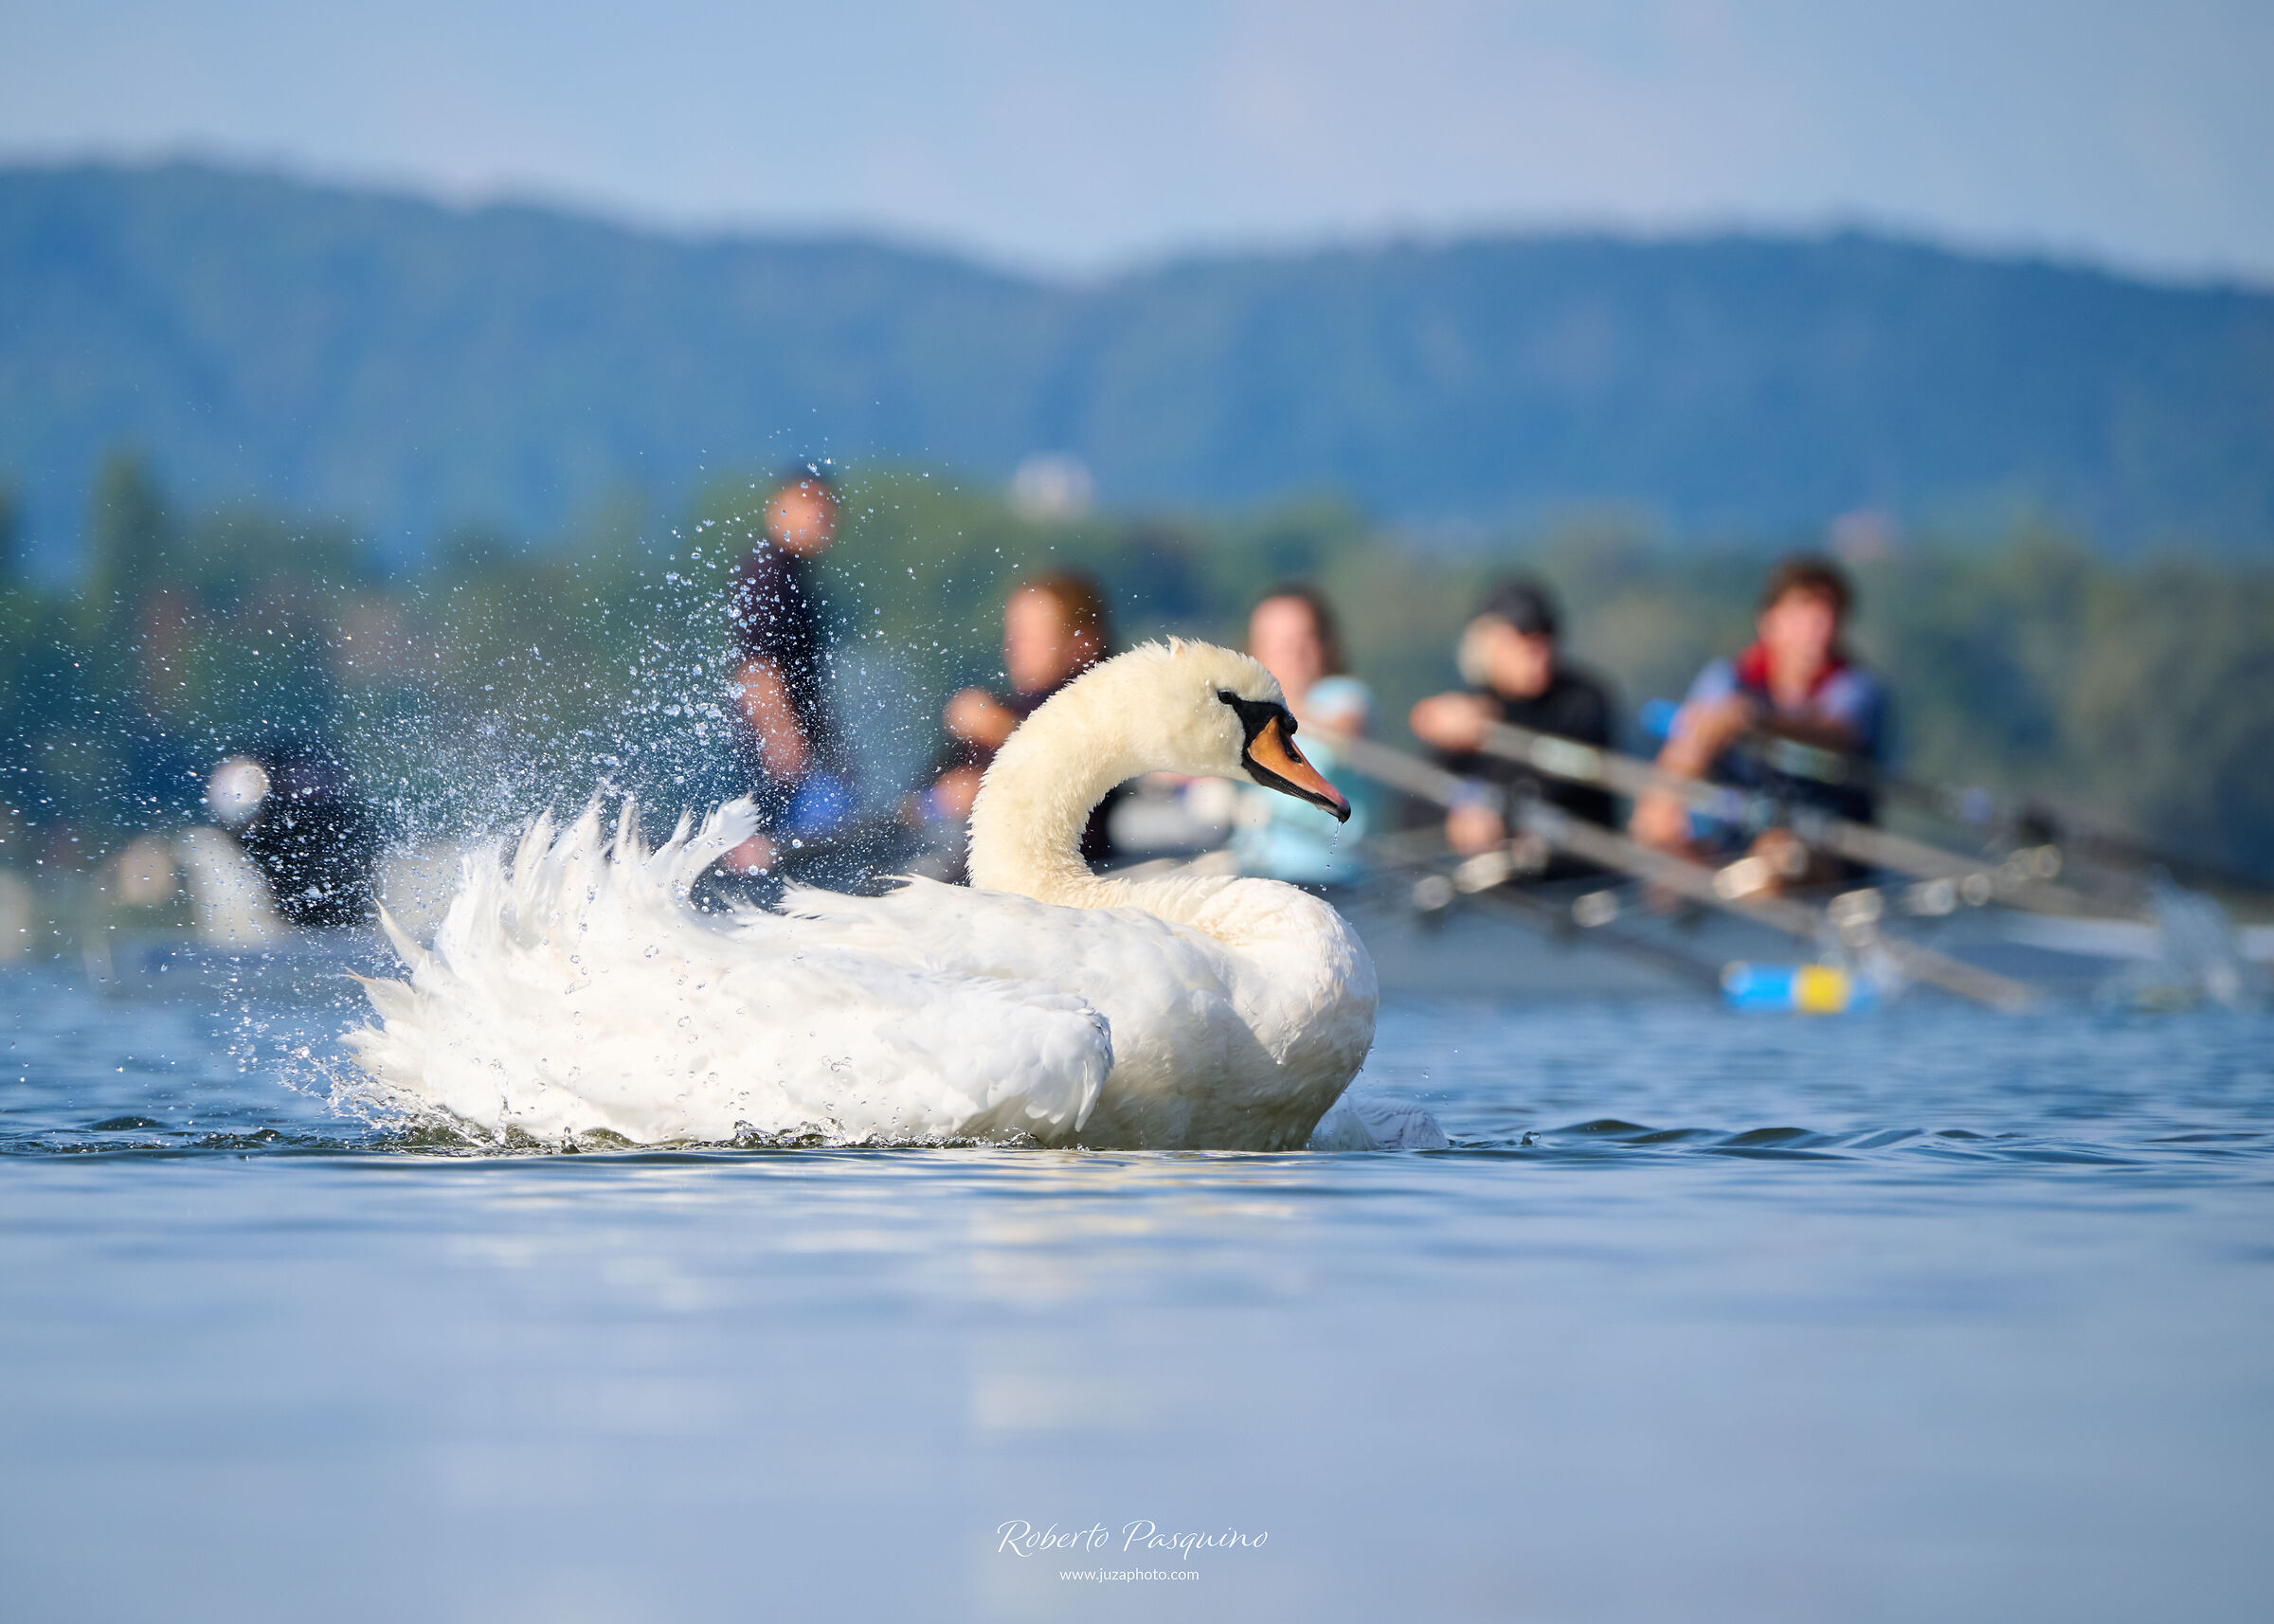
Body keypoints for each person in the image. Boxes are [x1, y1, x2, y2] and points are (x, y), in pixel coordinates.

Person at [1631, 554, 1889, 891]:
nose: (1819, 626)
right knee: (1658, 814)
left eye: (1829, 613)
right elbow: (1683, 753)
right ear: (1769, 621)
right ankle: (1679, 889)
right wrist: (1669, 799)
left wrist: (1758, 721)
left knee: (1780, 858)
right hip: (1737, 835)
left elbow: (1836, 733)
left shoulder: (1856, 687)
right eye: (1805, 611)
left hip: (1827, 849)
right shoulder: (1728, 678)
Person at [1408, 578, 1616, 863]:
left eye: (1545, 636)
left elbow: (1560, 777)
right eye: (1522, 638)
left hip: (1571, 877)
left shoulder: (1583, 700)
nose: (1537, 651)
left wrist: (1499, 816)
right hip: (1494, 885)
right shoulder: (1469, 713)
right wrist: (1453, 823)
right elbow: (1419, 802)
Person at [919, 569, 1119, 866]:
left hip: (1072, 866)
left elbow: (1080, 765)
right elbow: (920, 798)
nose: (1014, 647)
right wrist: (938, 800)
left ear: (1082, 644)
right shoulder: (1004, 707)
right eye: (1013, 633)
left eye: (1034, 635)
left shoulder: (1102, 706)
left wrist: (1001, 733)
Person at [720, 465, 854, 875]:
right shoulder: (770, 574)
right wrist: (781, 733)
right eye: (807, 504)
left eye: (826, 507)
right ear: (775, 511)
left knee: (816, 838)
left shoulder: (794, 572)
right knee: (801, 849)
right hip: (775, 749)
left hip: (796, 746)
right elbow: (757, 666)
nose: (820, 517)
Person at [1229, 586, 1373, 886]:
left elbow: (1346, 733)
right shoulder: (1242, 712)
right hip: (1257, 874)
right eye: (1281, 644)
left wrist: (1263, 710)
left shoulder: (1343, 696)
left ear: (1325, 645)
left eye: (1304, 640)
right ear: (1256, 651)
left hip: (1332, 877)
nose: (1295, 654)